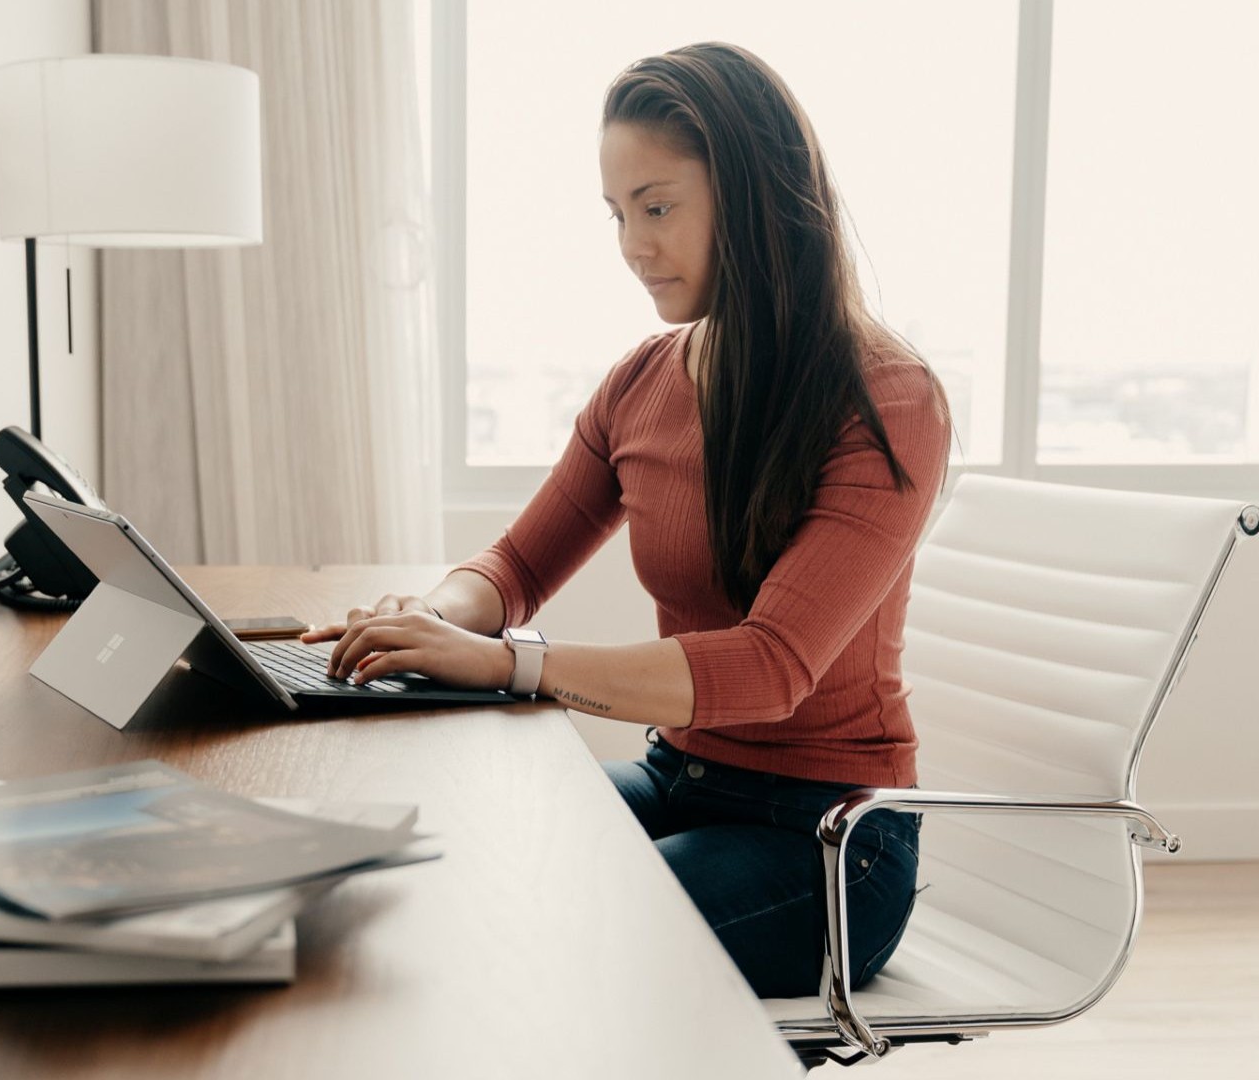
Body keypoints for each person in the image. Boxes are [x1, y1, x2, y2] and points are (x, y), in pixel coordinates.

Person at [303, 42, 952, 998]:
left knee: (549, 940)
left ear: (756, 193)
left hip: (828, 841)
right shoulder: (646, 380)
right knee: (436, 877)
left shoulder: (885, 401)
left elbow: (772, 664)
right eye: (617, 214)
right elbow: (516, 564)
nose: (632, 246)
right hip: (678, 781)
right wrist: (440, 617)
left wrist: (512, 663)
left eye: (657, 207)